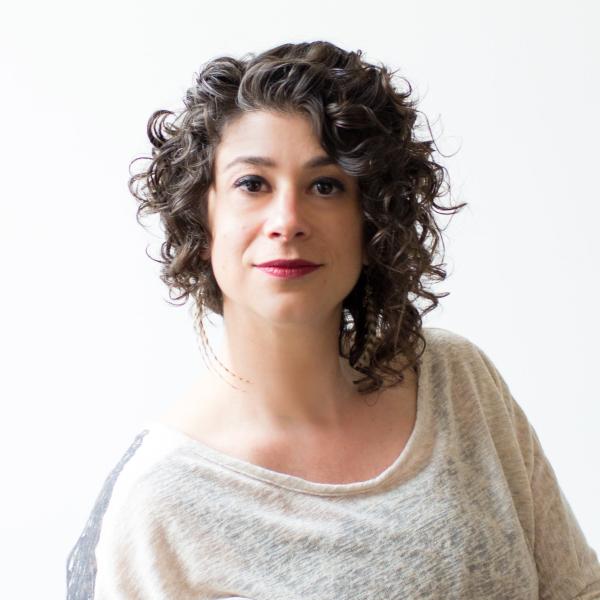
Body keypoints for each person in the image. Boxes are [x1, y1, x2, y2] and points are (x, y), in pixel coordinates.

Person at [66, 41, 600, 599]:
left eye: (325, 186)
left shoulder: (458, 382)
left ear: (370, 221)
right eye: (253, 184)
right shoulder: (160, 503)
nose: (287, 220)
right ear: (203, 218)